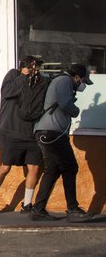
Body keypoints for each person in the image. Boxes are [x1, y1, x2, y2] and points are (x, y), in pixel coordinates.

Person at [0, 56, 45, 215]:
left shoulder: (40, 82)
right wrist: (23, 76)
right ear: (23, 67)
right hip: (10, 131)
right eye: (32, 67)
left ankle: (27, 204)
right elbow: (7, 92)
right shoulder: (14, 76)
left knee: (34, 167)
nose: (35, 71)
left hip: (31, 133)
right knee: (5, 167)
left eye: (37, 68)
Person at [29, 64, 94, 223]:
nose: (83, 85)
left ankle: (38, 209)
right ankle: (72, 209)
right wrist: (76, 111)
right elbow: (65, 105)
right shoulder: (64, 81)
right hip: (52, 133)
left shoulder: (62, 82)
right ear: (77, 76)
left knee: (53, 170)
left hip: (48, 133)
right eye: (83, 81)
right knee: (70, 167)